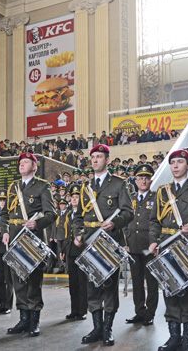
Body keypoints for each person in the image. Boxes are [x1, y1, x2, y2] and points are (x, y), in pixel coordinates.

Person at [148, 149, 188, 351]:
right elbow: (154, 221)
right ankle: (174, 338)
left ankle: (187, 341)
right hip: (167, 247)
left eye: (180, 162)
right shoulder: (162, 190)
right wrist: (153, 241)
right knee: (170, 294)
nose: (175, 166)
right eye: (172, 162)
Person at [73, 144, 134, 346]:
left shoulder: (118, 184)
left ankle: (107, 329)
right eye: (93, 157)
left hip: (109, 242)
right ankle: (97, 328)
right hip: (90, 242)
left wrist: (115, 223)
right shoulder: (86, 187)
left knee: (109, 286)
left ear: (107, 159)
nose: (95, 160)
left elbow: (128, 212)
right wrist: (78, 234)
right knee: (92, 287)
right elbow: (79, 217)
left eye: (99, 157)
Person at [0, 152, 57, 337]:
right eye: (20, 163)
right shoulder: (13, 187)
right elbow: (4, 214)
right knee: (18, 281)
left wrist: (37, 223)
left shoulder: (42, 186)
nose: (22, 165)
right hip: (16, 238)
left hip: (32, 238)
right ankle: (23, 318)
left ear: (34, 166)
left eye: (26, 162)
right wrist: (5, 230)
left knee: (33, 281)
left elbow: (51, 214)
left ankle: (34, 320)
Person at [125, 164, 158, 326]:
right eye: (140, 178)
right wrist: (125, 242)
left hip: (149, 247)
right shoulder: (129, 198)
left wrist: (156, 242)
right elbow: (125, 221)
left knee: (151, 282)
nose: (143, 180)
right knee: (137, 282)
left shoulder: (156, 198)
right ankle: (139, 311)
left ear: (151, 180)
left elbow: (157, 222)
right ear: (135, 180)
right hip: (133, 246)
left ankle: (150, 313)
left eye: (146, 178)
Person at [63, 184, 87, 321]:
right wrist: (63, 250)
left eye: (77, 197)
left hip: (81, 250)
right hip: (70, 250)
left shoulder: (84, 213)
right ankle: (74, 310)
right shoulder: (68, 214)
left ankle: (82, 310)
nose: (74, 199)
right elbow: (65, 234)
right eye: (72, 197)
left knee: (82, 282)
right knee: (73, 283)